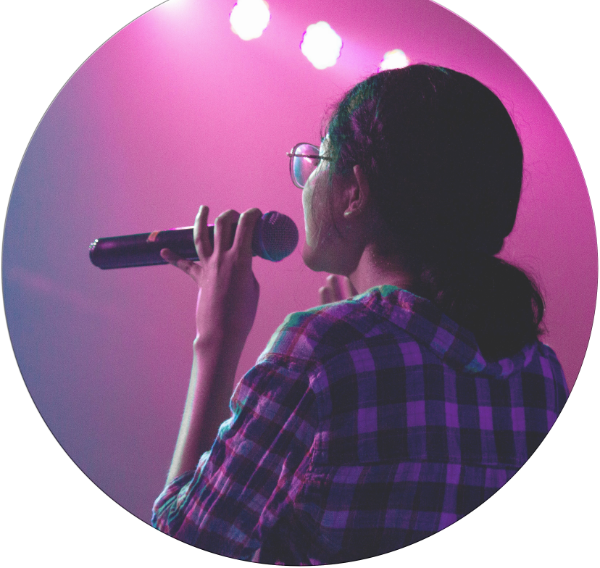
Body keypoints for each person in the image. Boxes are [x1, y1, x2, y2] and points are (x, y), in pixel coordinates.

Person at [151, 65, 569, 563]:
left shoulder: (319, 351)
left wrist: (218, 336)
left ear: (354, 192)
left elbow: (190, 535)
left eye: (317, 160)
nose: (305, 182)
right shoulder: (541, 373)